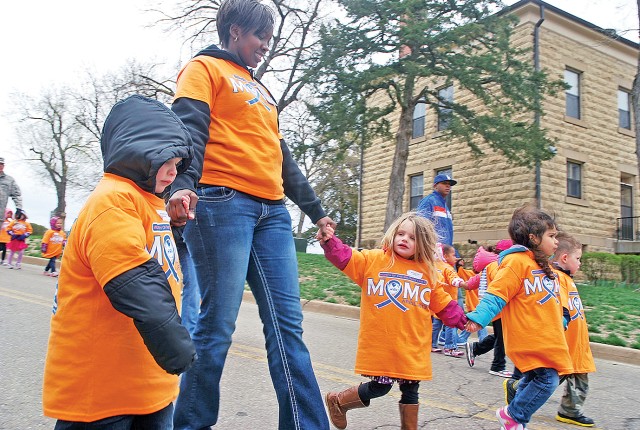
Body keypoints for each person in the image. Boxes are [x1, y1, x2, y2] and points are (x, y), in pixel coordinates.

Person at [165, 1, 335, 428]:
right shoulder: (204, 68)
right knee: (217, 326)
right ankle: (191, 424)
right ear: (236, 31)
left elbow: (281, 157)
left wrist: (315, 212)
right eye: (261, 37)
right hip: (223, 203)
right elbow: (189, 127)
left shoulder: (262, 90)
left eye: (270, 39)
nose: (266, 46)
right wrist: (184, 184)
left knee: (287, 327)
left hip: (273, 212)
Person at [42, 95, 197, 429]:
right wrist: (177, 346)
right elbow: (134, 278)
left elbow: (157, 258)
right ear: (136, 151)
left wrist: (174, 227)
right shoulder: (112, 200)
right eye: (167, 159)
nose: (175, 170)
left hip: (147, 382)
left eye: (179, 162)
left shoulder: (148, 201)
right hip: (101, 392)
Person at [317, 212, 467, 429]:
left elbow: (443, 303)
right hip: (383, 345)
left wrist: (463, 320)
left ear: (423, 244)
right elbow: (346, 257)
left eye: (413, 237)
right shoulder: (374, 260)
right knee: (380, 388)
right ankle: (338, 401)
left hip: (412, 347)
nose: (404, 239)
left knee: (411, 391)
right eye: (401, 233)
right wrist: (330, 241)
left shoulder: (428, 272)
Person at [465, 205, 572, 430]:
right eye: (551, 236)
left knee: (535, 379)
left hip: (546, 337)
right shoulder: (517, 262)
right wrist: (477, 317)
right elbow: (497, 294)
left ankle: (516, 414)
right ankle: (513, 415)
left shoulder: (545, 268)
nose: (555, 241)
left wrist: (561, 321)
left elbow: (551, 302)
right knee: (548, 380)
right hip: (529, 337)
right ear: (533, 238)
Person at [504, 232, 596, 427]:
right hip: (563, 342)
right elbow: (557, 309)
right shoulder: (556, 278)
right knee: (548, 379)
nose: (580, 263)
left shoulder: (567, 279)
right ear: (564, 258)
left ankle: (569, 410)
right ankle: (516, 388)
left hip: (577, 342)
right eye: (578, 259)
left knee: (579, 375)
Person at [464, 240, 514, 378]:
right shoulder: (502, 267)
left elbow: (475, 281)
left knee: (500, 335)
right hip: (500, 306)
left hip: (492, 307)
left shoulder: (490, 266)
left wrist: (464, 284)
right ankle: (498, 366)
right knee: (502, 337)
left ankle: (475, 348)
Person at [432, 243, 469, 357]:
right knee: (451, 325)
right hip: (449, 303)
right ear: (446, 256)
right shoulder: (448, 268)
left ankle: (432, 344)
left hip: (438, 302)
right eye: (453, 255)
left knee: (436, 325)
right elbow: (454, 279)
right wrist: (462, 283)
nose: (456, 257)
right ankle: (450, 347)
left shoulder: (435, 266)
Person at [416, 173, 456, 246]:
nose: (448, 186)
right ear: (435, 186)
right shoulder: (428, 201)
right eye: (444, 183)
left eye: (449, 184)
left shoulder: (445, 207)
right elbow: (421, 227)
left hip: (446, 251)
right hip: (434, 250)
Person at [0, 157, 22, 224]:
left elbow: (17, 195)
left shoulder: (9, 180)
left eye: (1, 164)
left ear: (3, 166)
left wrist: (19, 208)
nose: (0, 166)